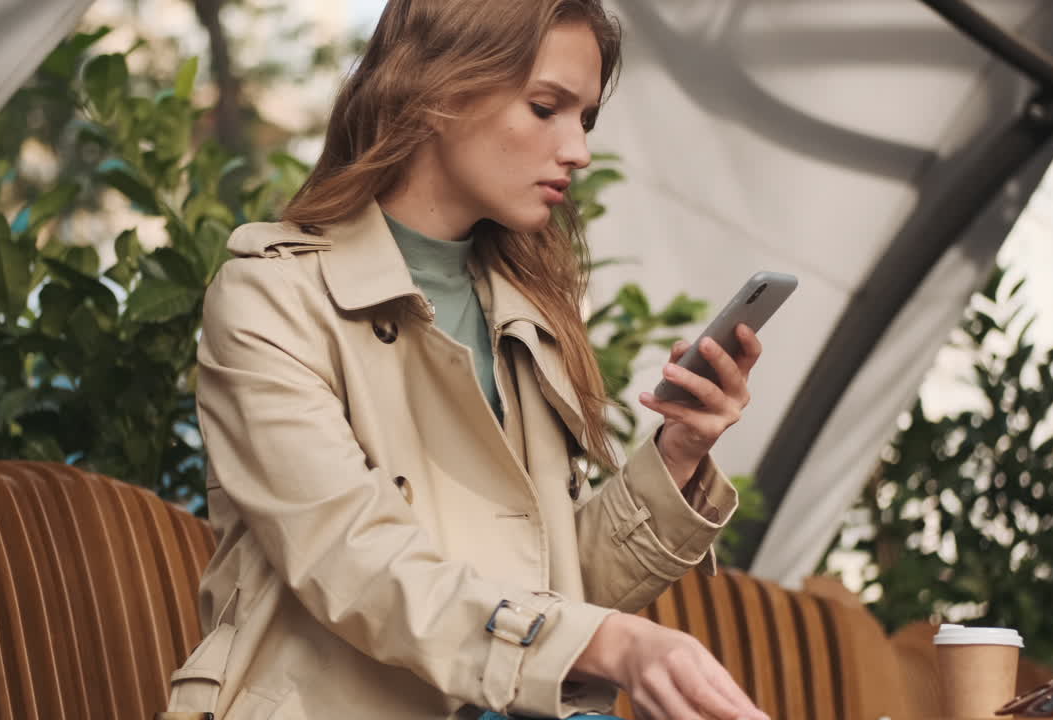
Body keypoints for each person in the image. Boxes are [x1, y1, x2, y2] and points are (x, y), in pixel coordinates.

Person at [163, 1, 770, 718]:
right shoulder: (274, 296)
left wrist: (677, 455)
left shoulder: (522, 313)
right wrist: (613, 643)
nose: (576, 150)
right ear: (438, 91)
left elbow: (548, 600)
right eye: (546, 107)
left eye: (585, 120)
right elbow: (353, 560)